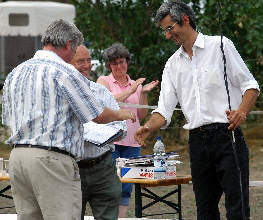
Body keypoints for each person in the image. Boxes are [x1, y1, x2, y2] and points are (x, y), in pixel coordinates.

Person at [134, 1, 260, 220]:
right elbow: (163, 110)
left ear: (184, 19)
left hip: (227, 136)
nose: (167, 36)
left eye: (169, 28)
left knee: (237, 208)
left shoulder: (220, 45)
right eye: (164, 31)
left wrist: (241, 111)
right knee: (205, 210)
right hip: (197, 143)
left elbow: (251, 86)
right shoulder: (172, 65)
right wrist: (147, 127)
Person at [1, 19, 135, 220]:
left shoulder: (16, 72)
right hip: (51, 159)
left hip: (18, 158)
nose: (74, 57)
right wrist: (120, 114)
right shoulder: (63, 71)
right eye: (74, 52)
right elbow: (96, 114)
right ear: (68, 44)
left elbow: (7, 118)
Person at [97, 42, 159, 217]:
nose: (119, 66)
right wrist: (132, 89)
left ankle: (121, 217)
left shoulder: (136, 84)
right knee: (112, 184)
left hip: (132, 142)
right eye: (115, 63)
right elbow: (107, 102)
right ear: (109, 65)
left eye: (122, 62)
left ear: (127, 62)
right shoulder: (104, 81)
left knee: (127, 185)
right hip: (111, 142)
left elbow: (141, 114)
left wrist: (143, 92)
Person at [70, 44, 125, 220]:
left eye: (88, 61)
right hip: (71, 169)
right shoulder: (61, 92)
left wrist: (110, 132)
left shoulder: (101, 92)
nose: (86, 65)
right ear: (69, 62)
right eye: (80, 61)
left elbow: (121, 127)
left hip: (103, 167)